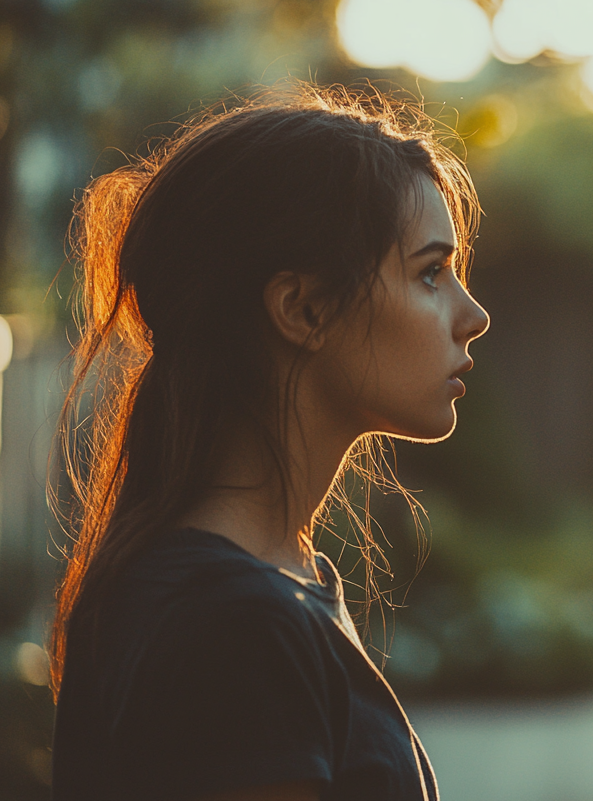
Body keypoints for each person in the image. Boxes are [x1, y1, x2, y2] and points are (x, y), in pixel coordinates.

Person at [48, 86, 490, 801]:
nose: (473, 315)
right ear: (303, 309)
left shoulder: (270, 586)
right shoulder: (233, 623)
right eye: (430, 272)